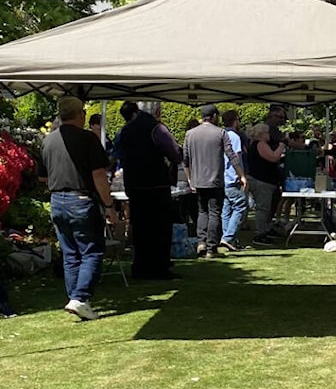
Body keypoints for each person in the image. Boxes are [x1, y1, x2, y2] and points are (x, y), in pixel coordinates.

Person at [39, 96, 119, 320]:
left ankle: (76, 298)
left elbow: (43, 177)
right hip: (82, 199)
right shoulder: (88, 139)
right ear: (80, 115)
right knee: (91, 250)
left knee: (70, 253)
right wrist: (109, 205)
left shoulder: (48, 141)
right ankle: (80, 298)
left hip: (57, 199)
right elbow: (99, 176)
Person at [115, 101, 182, 280]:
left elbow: (118, 155)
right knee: (160, 227)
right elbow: (174, 152)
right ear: (157, 111)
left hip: (134, 185)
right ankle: (159, 267)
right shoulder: (156, 128)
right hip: (156, 184)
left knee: (139, 227)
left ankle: (140, 267)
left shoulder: (125, 130)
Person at [183, 104, 246, 259]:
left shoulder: (190, 134)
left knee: (202, 211)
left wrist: (190, 178)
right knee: (214, 212)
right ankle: (211, 248)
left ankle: (201, 243)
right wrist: (241, 175)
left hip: (198, 180)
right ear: (213, 116)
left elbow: (185, 159)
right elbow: (232, 156)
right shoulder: (220, 133)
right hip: (216, 179)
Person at [248, 123, 286, 246]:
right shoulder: (260, 144)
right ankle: (260, 234)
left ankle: (266, 229)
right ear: (262, 134)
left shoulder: (258, 144)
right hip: (261, 181)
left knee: (268, 207)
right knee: (263, 208)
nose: (269, 135)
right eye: (267, 133)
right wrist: (281, 146)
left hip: (266, 180)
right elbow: (273, 157)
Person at [220, 109, 247, 252]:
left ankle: (229, 239)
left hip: (222, 178)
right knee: (240, 206)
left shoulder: (221, 135)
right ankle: (228, 238)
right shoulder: (234, 137)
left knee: (226, 209)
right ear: (235, 120)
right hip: (232, 177)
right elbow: (235, 158)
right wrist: (242, 175)